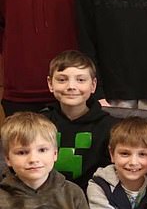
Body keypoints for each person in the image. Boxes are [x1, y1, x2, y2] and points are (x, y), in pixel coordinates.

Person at [42, 50, 118, 192]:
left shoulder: (111, 128)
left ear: (93, 85)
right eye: (62, 79)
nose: (71, 86)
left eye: (81, 80)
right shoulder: (39, 124)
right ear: (50, 83)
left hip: (93, 201)